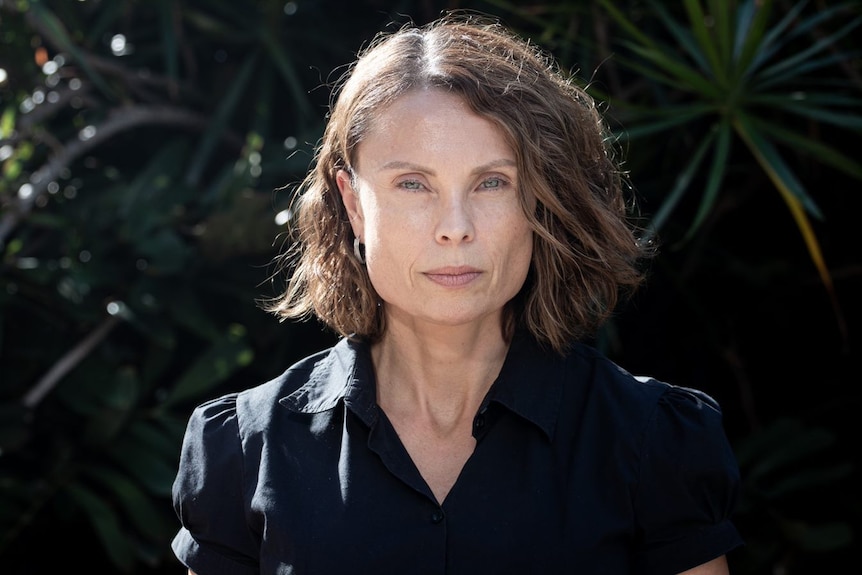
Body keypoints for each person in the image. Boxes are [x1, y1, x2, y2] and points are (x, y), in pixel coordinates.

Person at [170, 12, 743, 575]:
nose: (455, 226)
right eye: (413, 184)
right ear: (352, 203)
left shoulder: (651, 442)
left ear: (539, 201)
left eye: (492, 182)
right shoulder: (246, 448)